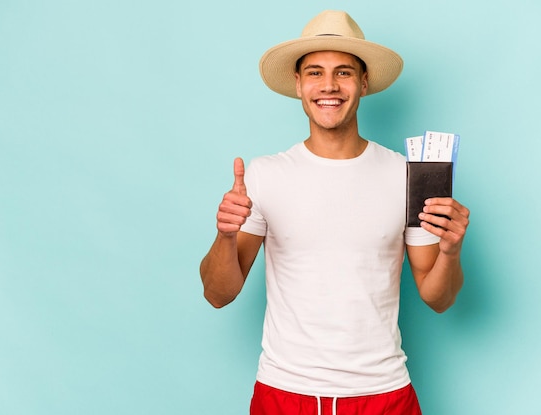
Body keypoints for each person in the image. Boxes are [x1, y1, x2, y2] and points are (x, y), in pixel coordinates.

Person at [200, 9, 470, 415]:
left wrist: (450, 251)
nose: (329, 85)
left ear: (363, 82)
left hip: (384, 393)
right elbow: (218, 294)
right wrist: (224, 234)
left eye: (343, 72)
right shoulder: (265, 175)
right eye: (314, 72)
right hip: (285, 392)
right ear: (298, 84)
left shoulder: (406, 175)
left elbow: (439, 298)